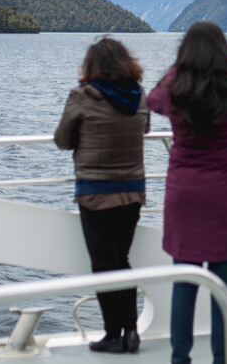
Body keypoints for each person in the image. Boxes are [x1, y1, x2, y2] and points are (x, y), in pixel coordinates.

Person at [147, 21, 227, 364]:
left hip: (184, 195)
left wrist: (184, 64)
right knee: (224, 286)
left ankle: (180, 359)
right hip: (223, 196)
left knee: (184, 282)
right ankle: (223, 360)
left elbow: (152, 99)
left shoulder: (175, 87)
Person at [54, 37, 150, 354]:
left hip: (95, 192)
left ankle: (112, 334)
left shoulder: (82, 96)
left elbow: (63, 140)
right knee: (121, 260)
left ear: (91, 66)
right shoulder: (139, 97)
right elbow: (146, 129)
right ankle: (132, 330)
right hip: (132, 191)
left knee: (102, 264)